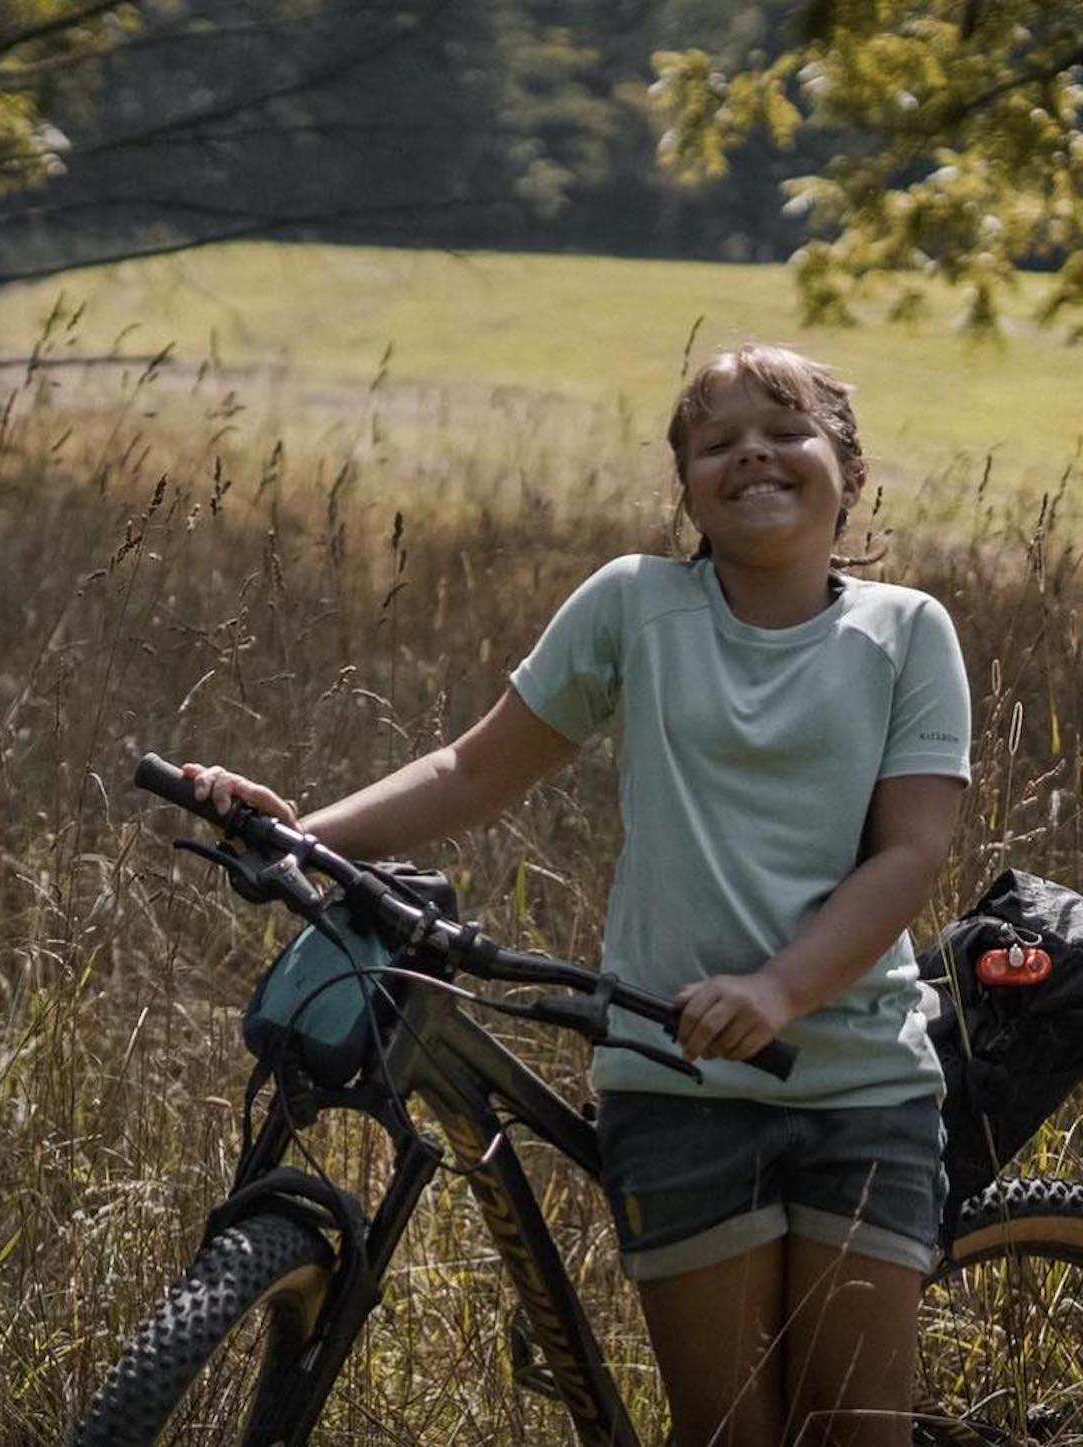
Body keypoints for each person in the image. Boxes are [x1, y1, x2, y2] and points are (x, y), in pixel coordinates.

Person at [181, 344, 970, 1447]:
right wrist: (298, 833)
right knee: (725, 1428)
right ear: (685, 485)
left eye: (784, 430)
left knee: (855, 1430)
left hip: (861, 1083)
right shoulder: (634, 606)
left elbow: (907, 853)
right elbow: (474, 768)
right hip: (674, 1077)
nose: (749, 452)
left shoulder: (905, 631)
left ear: (848, 465)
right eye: (713, 441)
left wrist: (778, 991)